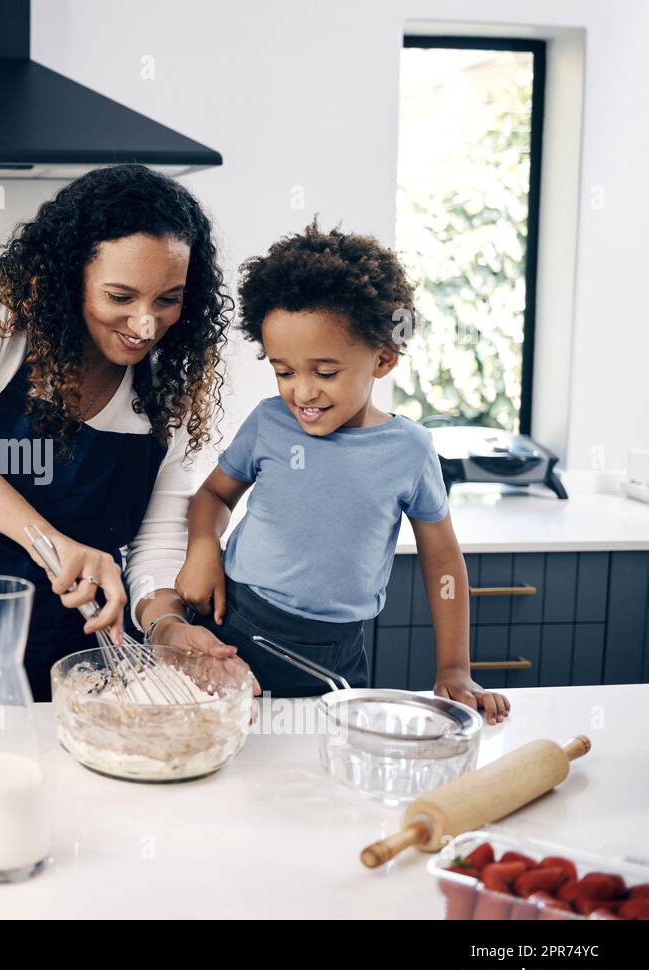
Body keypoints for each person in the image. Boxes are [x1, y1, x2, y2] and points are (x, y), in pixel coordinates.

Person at [0, 165, 249, 704]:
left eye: (167, 300)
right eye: (120, 296)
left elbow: (156, 546)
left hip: (69, 659)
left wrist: (165, 627)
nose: (145, 325)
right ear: (72, 277)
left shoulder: (169, 395)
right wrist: (50, 542)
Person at [176, 222, 510, 722]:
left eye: (325, 372)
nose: (302, 392)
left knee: (322, 774)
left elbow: (442, 562)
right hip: (235, 625)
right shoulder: (269, 422)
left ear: (383, 359)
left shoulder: (409, 450)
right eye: (283, 371)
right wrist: (203, 548)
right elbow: (213, 497)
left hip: (335, 653)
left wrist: (455, 668)